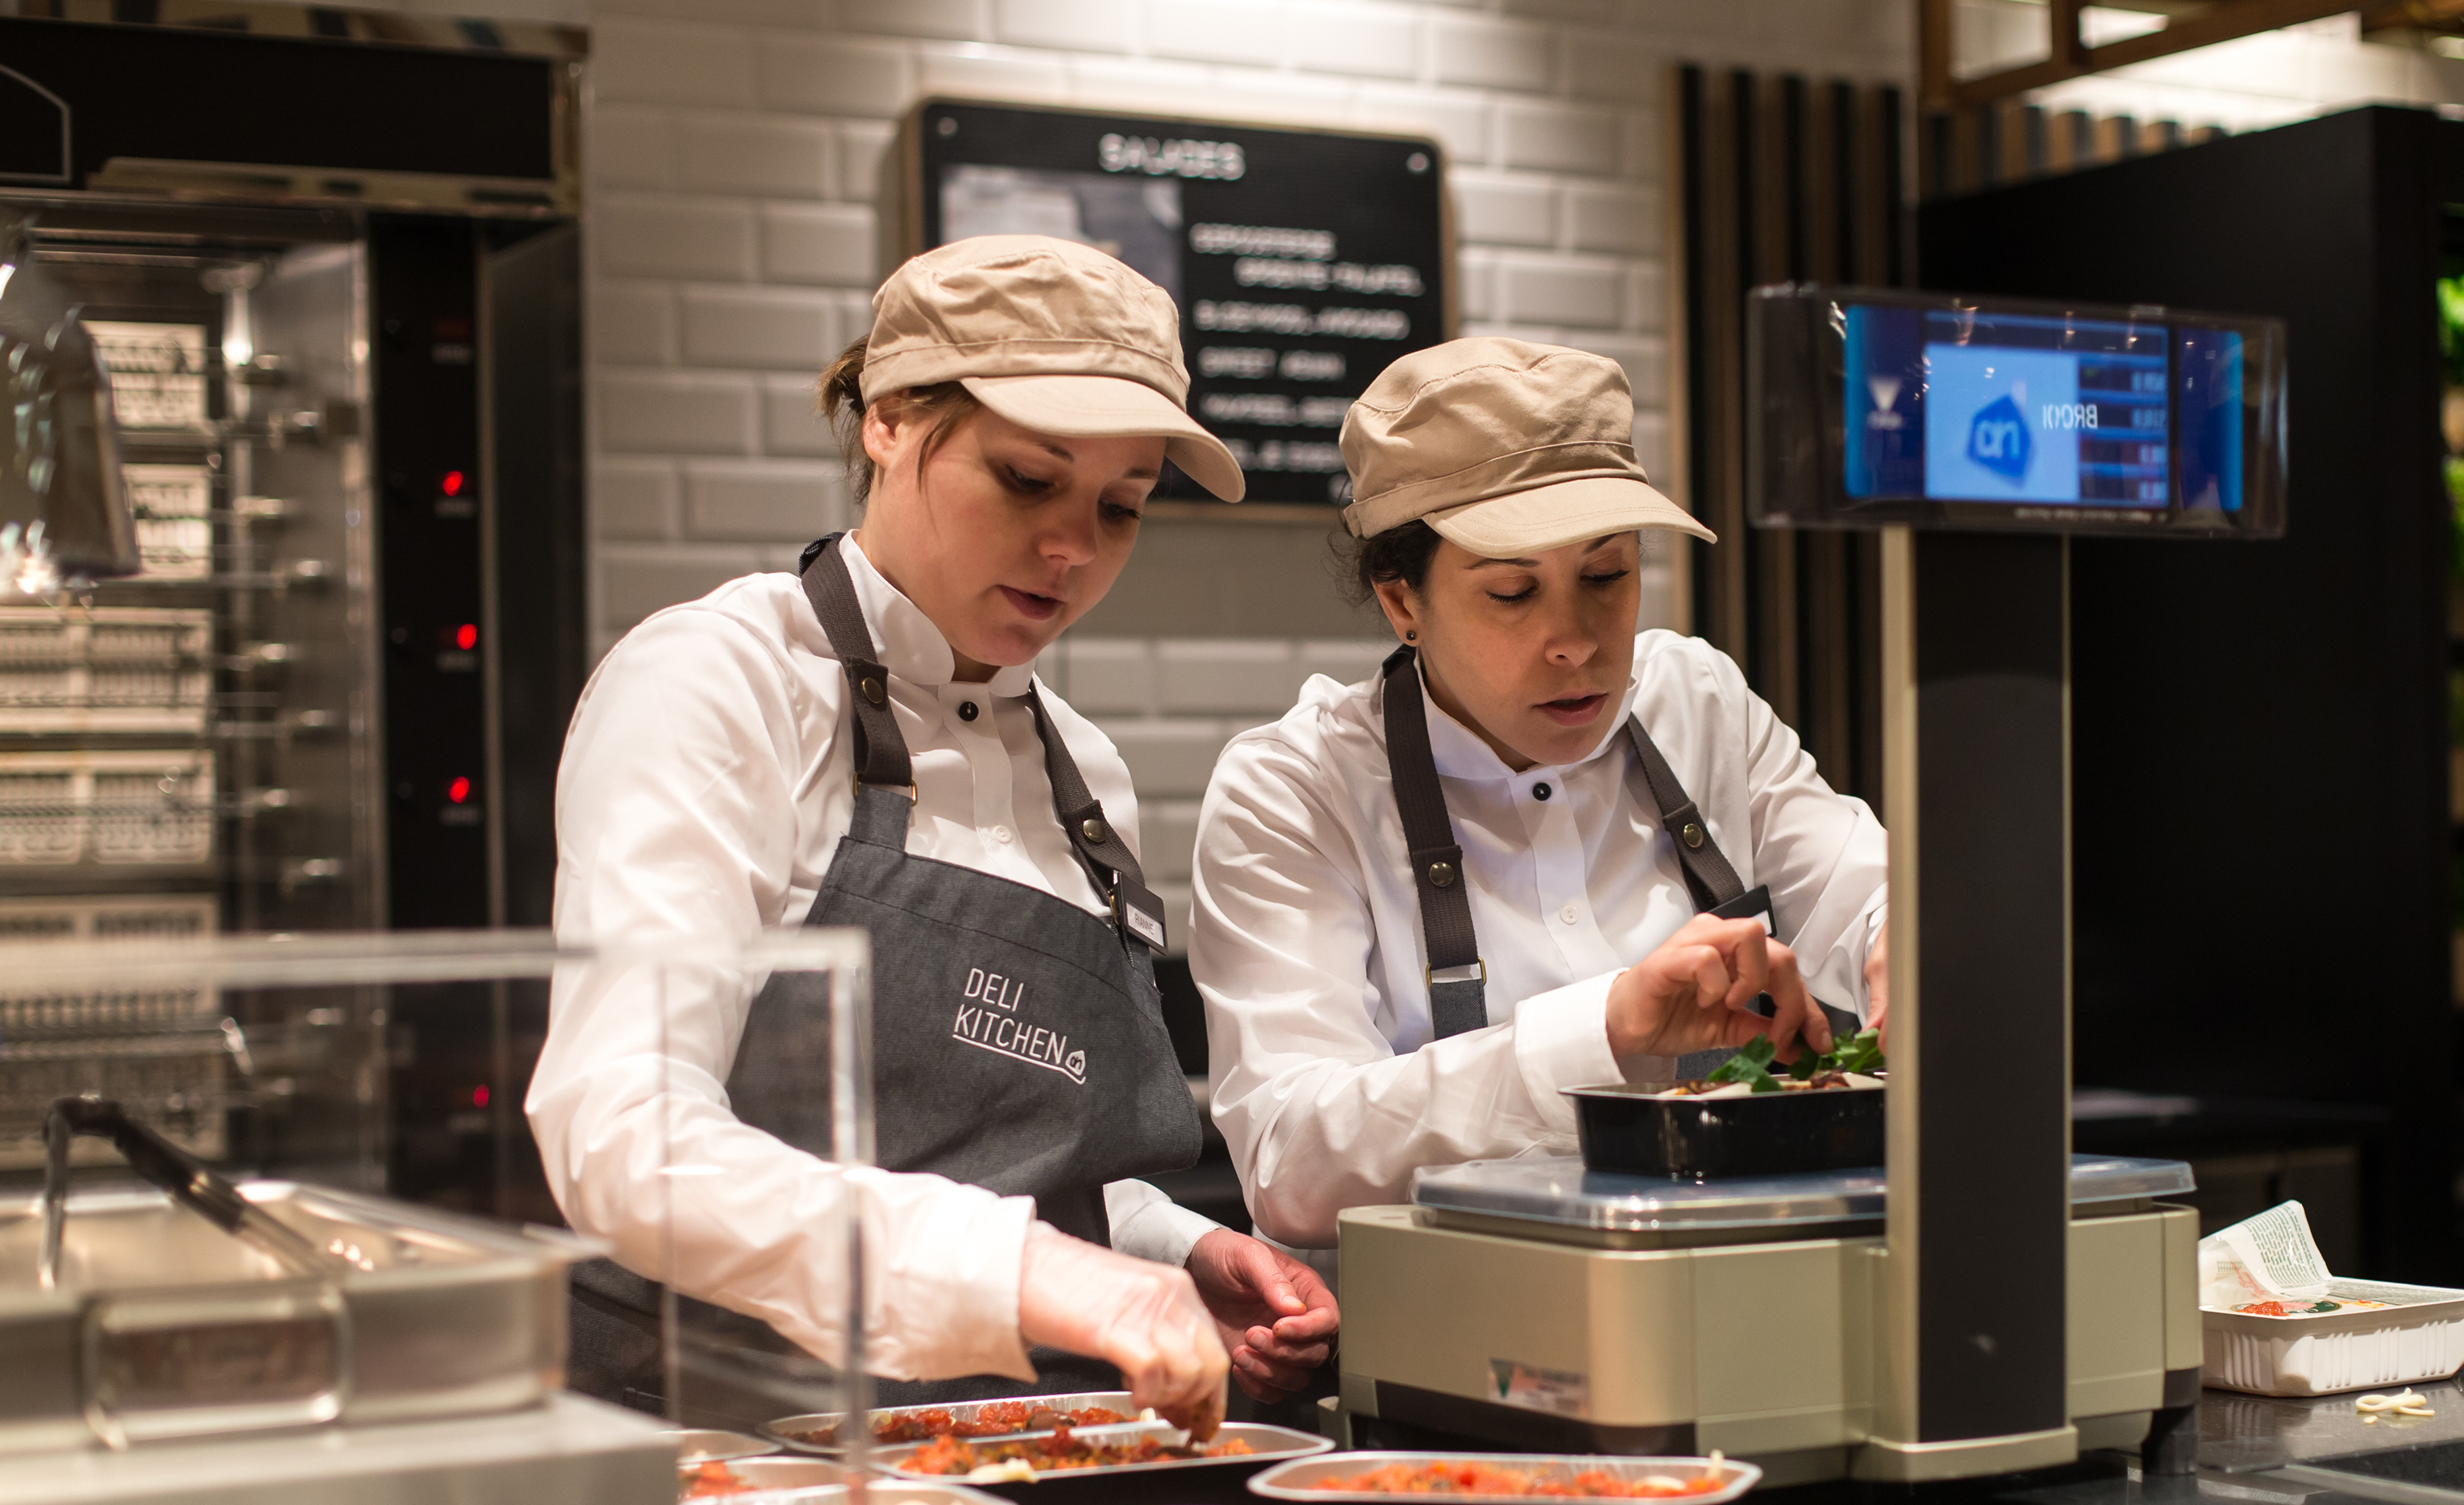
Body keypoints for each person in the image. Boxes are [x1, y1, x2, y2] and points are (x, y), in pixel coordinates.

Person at [529, 235, 1335, 1432]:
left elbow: (1010, 1148)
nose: (1071, 549)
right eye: (1025, 480)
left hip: (1003, 1447)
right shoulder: (717, 684)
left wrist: (1169, 1249)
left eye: (1120, 507)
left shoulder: (1083, 774)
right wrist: (1040, 1276)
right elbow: (621, 1132)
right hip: (721, 1436)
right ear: (891, 420)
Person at [1189, 337, 1891, 1261]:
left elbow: (1865, 890)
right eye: (1514, 592)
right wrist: (1603, 1030)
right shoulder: (1296, 790)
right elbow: (1292, 1162)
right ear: (1402, 602)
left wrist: (1908, 956)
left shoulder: (1698, 702)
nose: (1576, 641)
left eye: (1607, 576)